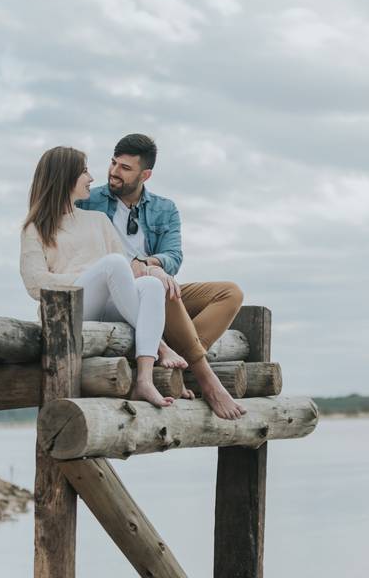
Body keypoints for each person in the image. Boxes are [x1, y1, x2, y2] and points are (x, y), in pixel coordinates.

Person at [77, 133, 247, 420]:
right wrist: (146, 271)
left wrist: (150, 263)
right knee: (157, 285)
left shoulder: (164, 208)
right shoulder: (89, 201)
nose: (114, 173)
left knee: (230, 293)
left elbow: (173, 256)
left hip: (156, 291)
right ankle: (207, 379)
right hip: (116, 296)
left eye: (125, 168)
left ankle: (179, 364)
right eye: (113, 163)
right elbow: (80, 252)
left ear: (146, 175)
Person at [19, 146, 180, 407]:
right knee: (113, 263)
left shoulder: (97, 220)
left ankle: (145, 380)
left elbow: (125, 272)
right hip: (68, 313)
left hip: (108, 306)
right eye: (84, 171)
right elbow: (35, 284)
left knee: (150, 285)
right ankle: (160, 345)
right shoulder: (34, 228)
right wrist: (93, 275)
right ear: (65, 177)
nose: (92, 178)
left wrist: (153, 269)